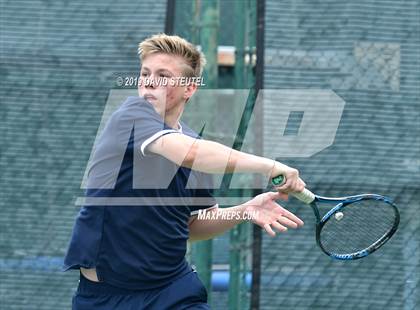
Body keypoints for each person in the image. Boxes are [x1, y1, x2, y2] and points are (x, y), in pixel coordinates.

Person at [64, 33, 306, 310]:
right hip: (108, 296)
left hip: (172, 290)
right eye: (145, 73)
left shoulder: (195, 147)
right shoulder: (131, 116)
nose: (150, 82)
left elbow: (193, 224)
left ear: (189, 89)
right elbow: (189, 153)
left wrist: (245, 210)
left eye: (163, 75)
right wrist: (271, 166)